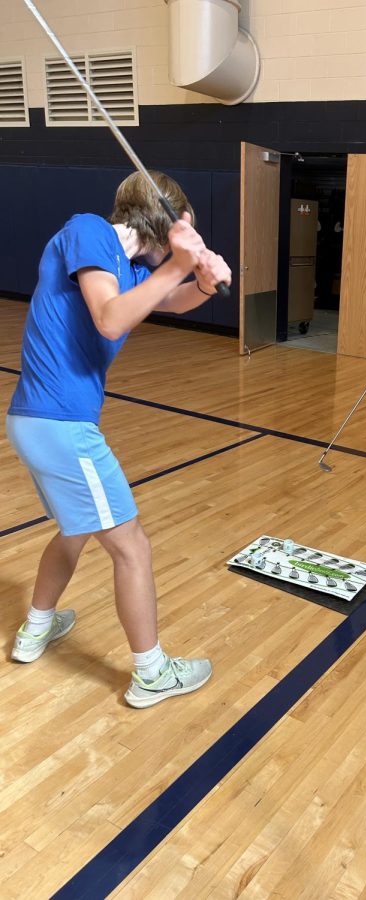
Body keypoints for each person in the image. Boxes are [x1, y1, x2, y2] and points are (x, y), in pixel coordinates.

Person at [5, 171, 232, 708]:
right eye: (185, 230)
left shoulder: (128, 269)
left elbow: (166, 303)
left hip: (39, 422)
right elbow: (109, 320)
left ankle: (36, 628)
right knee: (132, 547)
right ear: (160, 222)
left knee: (74, 530)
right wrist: (180, 263)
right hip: (62, 426)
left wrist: (198, 282)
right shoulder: (91, 232)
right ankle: (152, 673)